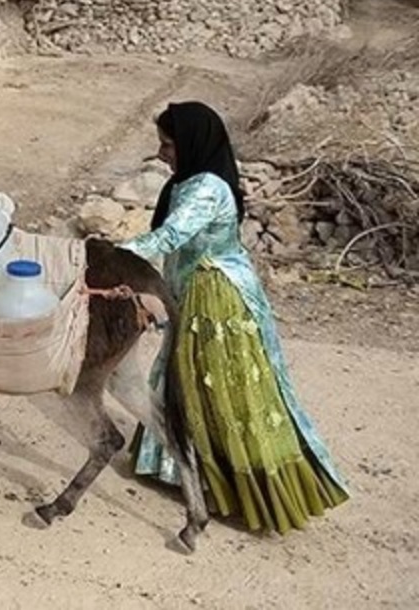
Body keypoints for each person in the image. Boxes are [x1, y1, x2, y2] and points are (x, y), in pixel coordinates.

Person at [120, 102, 348, 535]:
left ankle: (247, 490)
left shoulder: (206, 188)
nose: (162, 153)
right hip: (194, 288)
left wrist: (109, 254)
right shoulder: (189, 181)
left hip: (217, 295)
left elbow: (171, 235)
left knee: (222, 389)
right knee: (186, 379)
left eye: (168, 144)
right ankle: (183, 469)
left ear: (191, 143)